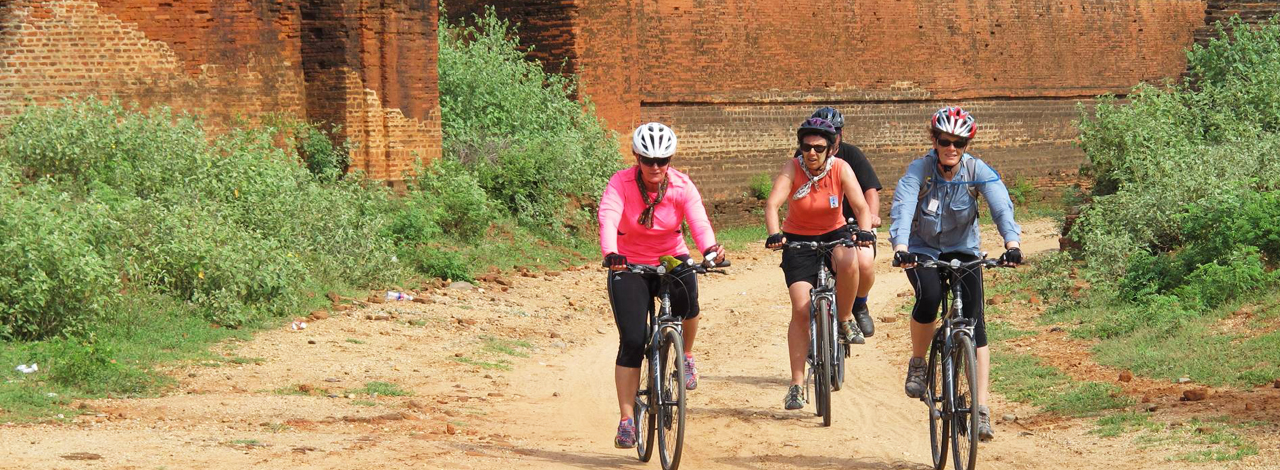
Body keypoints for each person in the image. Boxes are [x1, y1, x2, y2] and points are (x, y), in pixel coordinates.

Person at [888, 106, 1023, 442]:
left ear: (966, 145)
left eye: (959, 143)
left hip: (963, 250)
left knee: (975, 323)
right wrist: (900, 246)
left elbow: (1000, 203)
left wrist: (1013, 243)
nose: (952, 148)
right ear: (934, 140)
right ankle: (919, 363)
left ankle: (981, 410)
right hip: (922, 249)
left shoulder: (976, 170)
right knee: (930, 296)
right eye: (945, 141)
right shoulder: (920, 170)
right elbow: (904, 206)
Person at [599, 122, 727, 449]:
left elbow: (698, 221)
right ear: (637, 158)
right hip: (628, 262)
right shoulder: (620, 183)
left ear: (670, 159)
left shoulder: (682, 185)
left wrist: (710, 249)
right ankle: (627, 419)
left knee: (690, 300)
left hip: (670, 257)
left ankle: (685, 355)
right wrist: (611, 252)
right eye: (648, 160)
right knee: (632, 338)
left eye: (662, 160)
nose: (655, 167)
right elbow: (609, 216)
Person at [764, 117, 875, 411]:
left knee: (850, 259)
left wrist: (864, 231)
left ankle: (845, 319)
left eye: (818, 147)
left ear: (830, 149)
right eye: (806, 147)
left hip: (834, 233)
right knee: (801, 309)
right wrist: (775, 233)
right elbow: (773, 204)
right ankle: (797, 385)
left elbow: (861, 205)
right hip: (798, 241)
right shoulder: (793, 167)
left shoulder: (840, 168)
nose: (811, 153)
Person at [796, 107, 883, 343]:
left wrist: (872, 218)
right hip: (816, 228)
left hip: (853, 224)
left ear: (839, 135)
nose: (814, 149)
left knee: (863, 262)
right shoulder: (805, 156)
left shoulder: (850, 156)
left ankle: (859, 304)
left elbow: (870, 190)